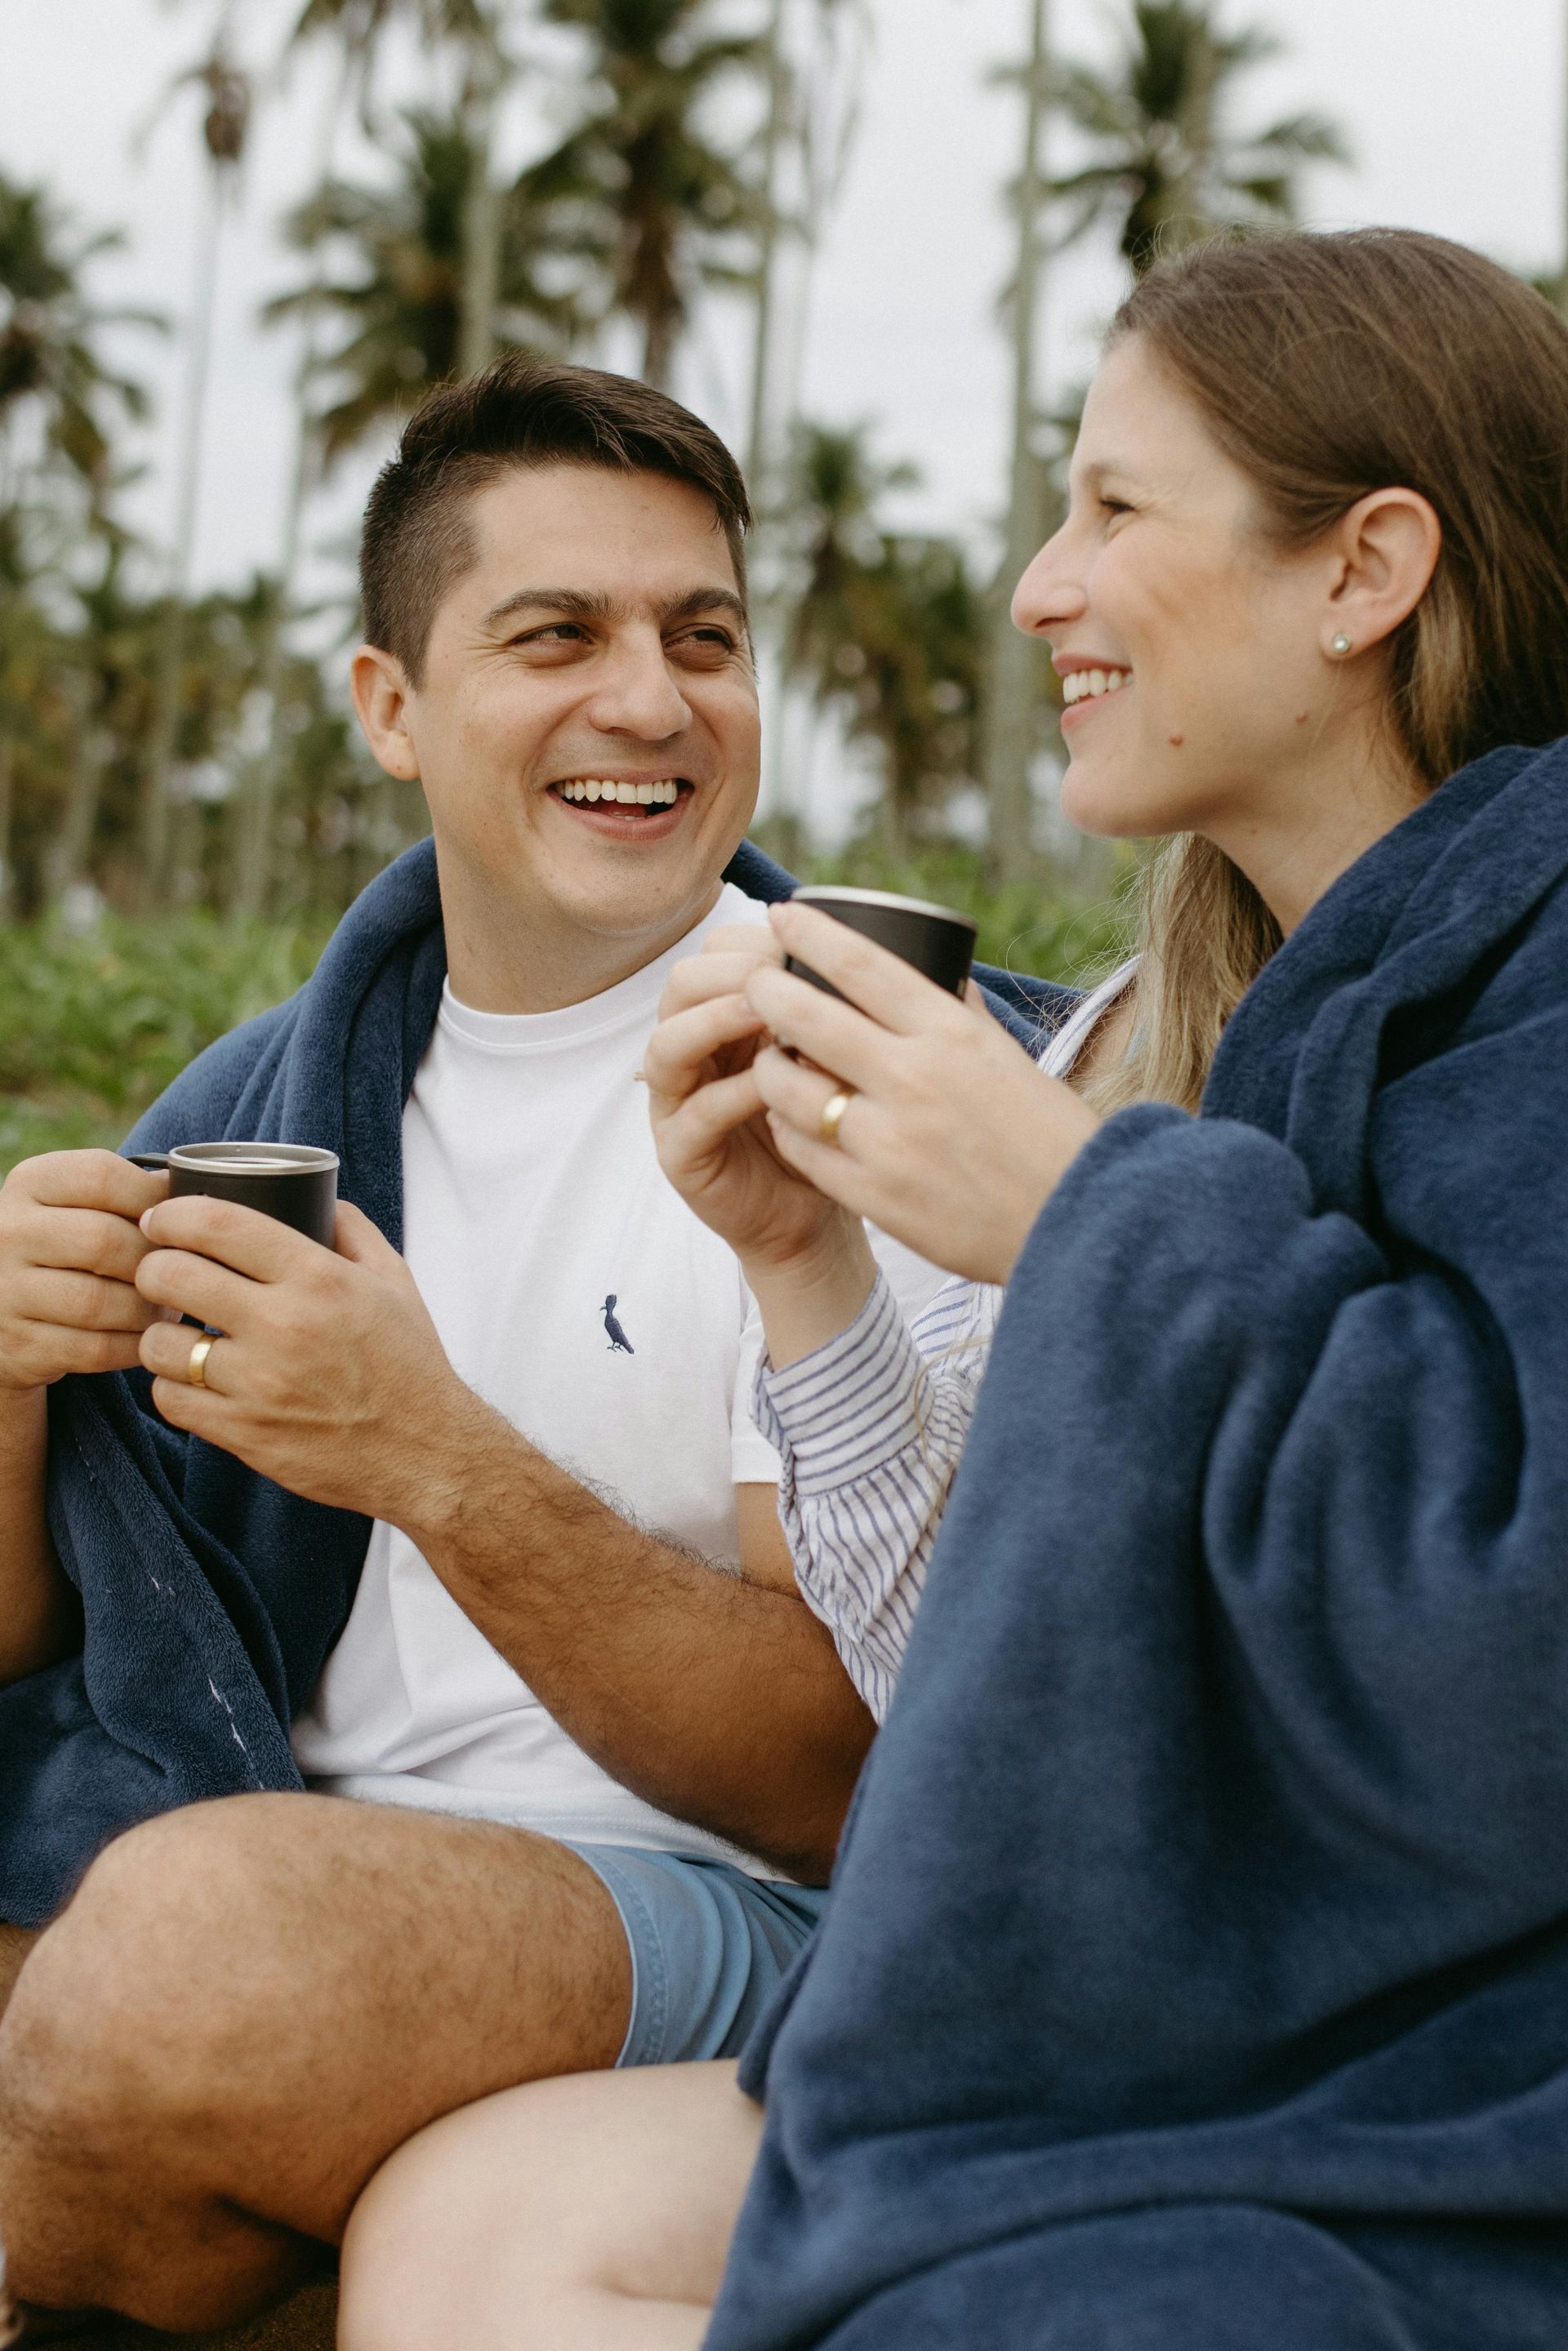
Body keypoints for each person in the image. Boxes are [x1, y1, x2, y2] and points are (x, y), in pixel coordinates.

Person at [333, 225, 1568, 2351]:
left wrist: (1080, 1217)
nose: (1036, 586)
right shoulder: (1210, 1028)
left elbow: (1508, 1627)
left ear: (1364, 575)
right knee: (464, 2233)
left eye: (1109, 509)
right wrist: (810, 1275)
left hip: (1437, 2063)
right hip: (1215, 1995)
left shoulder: (1496, 1011)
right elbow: (987, 1679)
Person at [0, 359, 1062, 2340]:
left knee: (177, 1960)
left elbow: (844, 1774)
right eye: (556, 635)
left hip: (724, 1911)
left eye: (705, 637)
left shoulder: (868, 1080)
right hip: (309, 1860)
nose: (650, 703)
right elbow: (57, 1655)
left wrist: (430, 1452)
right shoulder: (260, 1108)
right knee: (158, 1948)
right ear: (390, 710)